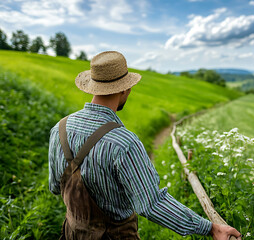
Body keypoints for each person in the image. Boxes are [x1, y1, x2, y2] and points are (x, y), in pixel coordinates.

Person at [48, 51, 242, 240]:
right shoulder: (124, 143)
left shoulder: (60, 129)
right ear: (125, 89)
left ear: (92, 86)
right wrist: (211, 228)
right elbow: (152, 204)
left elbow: (55, 187)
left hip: (72, 233)